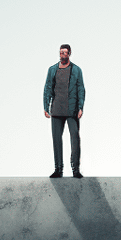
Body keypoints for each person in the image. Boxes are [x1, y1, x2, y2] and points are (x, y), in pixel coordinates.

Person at [43, 43, 84, 178]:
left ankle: (75, 169)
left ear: (69, 54)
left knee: (75, 138)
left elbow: (81, 89)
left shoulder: (76, 70)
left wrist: (80, 107)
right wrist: (46, 106)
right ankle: (58, 170)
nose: (63, 55)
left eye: (65, 53)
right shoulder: (52, 70)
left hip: (72, 110)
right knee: (56, 140)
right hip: (56, 110)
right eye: (61, 52)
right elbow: (48, 88)